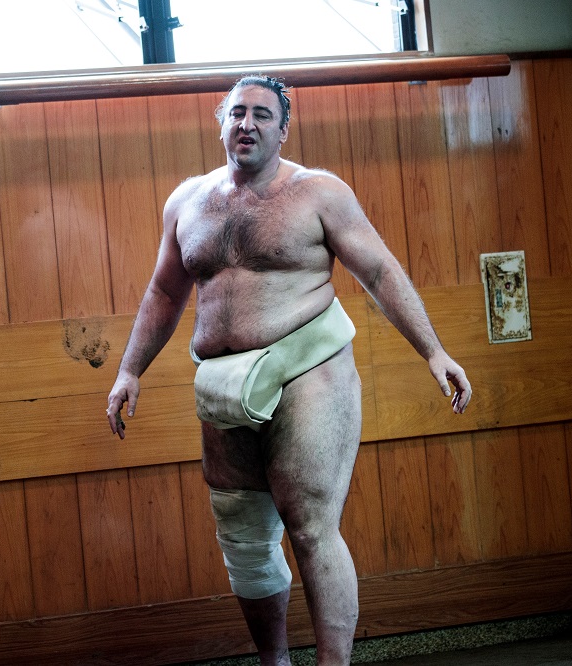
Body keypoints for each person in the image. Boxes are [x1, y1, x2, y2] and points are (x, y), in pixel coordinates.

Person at [105, 75, 471, 666]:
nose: (247, 123)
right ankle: (273, 661)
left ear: (283, 129)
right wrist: (129, 370)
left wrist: (434, 351)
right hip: (223, 381)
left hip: (308, 368)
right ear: (221, 123)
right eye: (237, 113)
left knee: (310, 526)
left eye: (262, 115)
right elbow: (164, 293)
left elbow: (379, 271)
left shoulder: (318, 193)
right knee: (243, 534)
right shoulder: (186, 202)